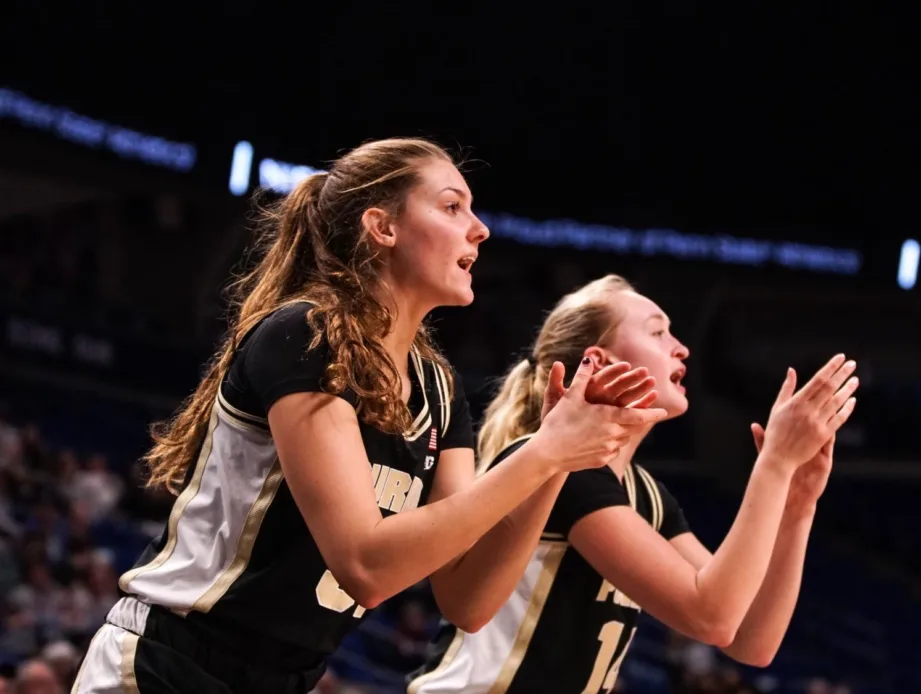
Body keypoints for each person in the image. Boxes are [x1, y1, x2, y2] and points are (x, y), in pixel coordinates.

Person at [71, 142, 668, 694]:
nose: (480, 229)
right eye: (452, 206)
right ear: (382, 227)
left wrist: (555, 460)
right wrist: (542, 452)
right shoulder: (305, 334)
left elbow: (467, 597)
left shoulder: (439, 387)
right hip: (168, 664)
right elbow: (365, 565)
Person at [409, 275, 858, 694]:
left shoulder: (645, 494)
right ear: (598, 360)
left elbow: (749, 640)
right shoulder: (561, 467)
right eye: (658, 333)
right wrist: (774, 465)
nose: (681, 348)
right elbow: (711, 617)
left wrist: (798, 506)